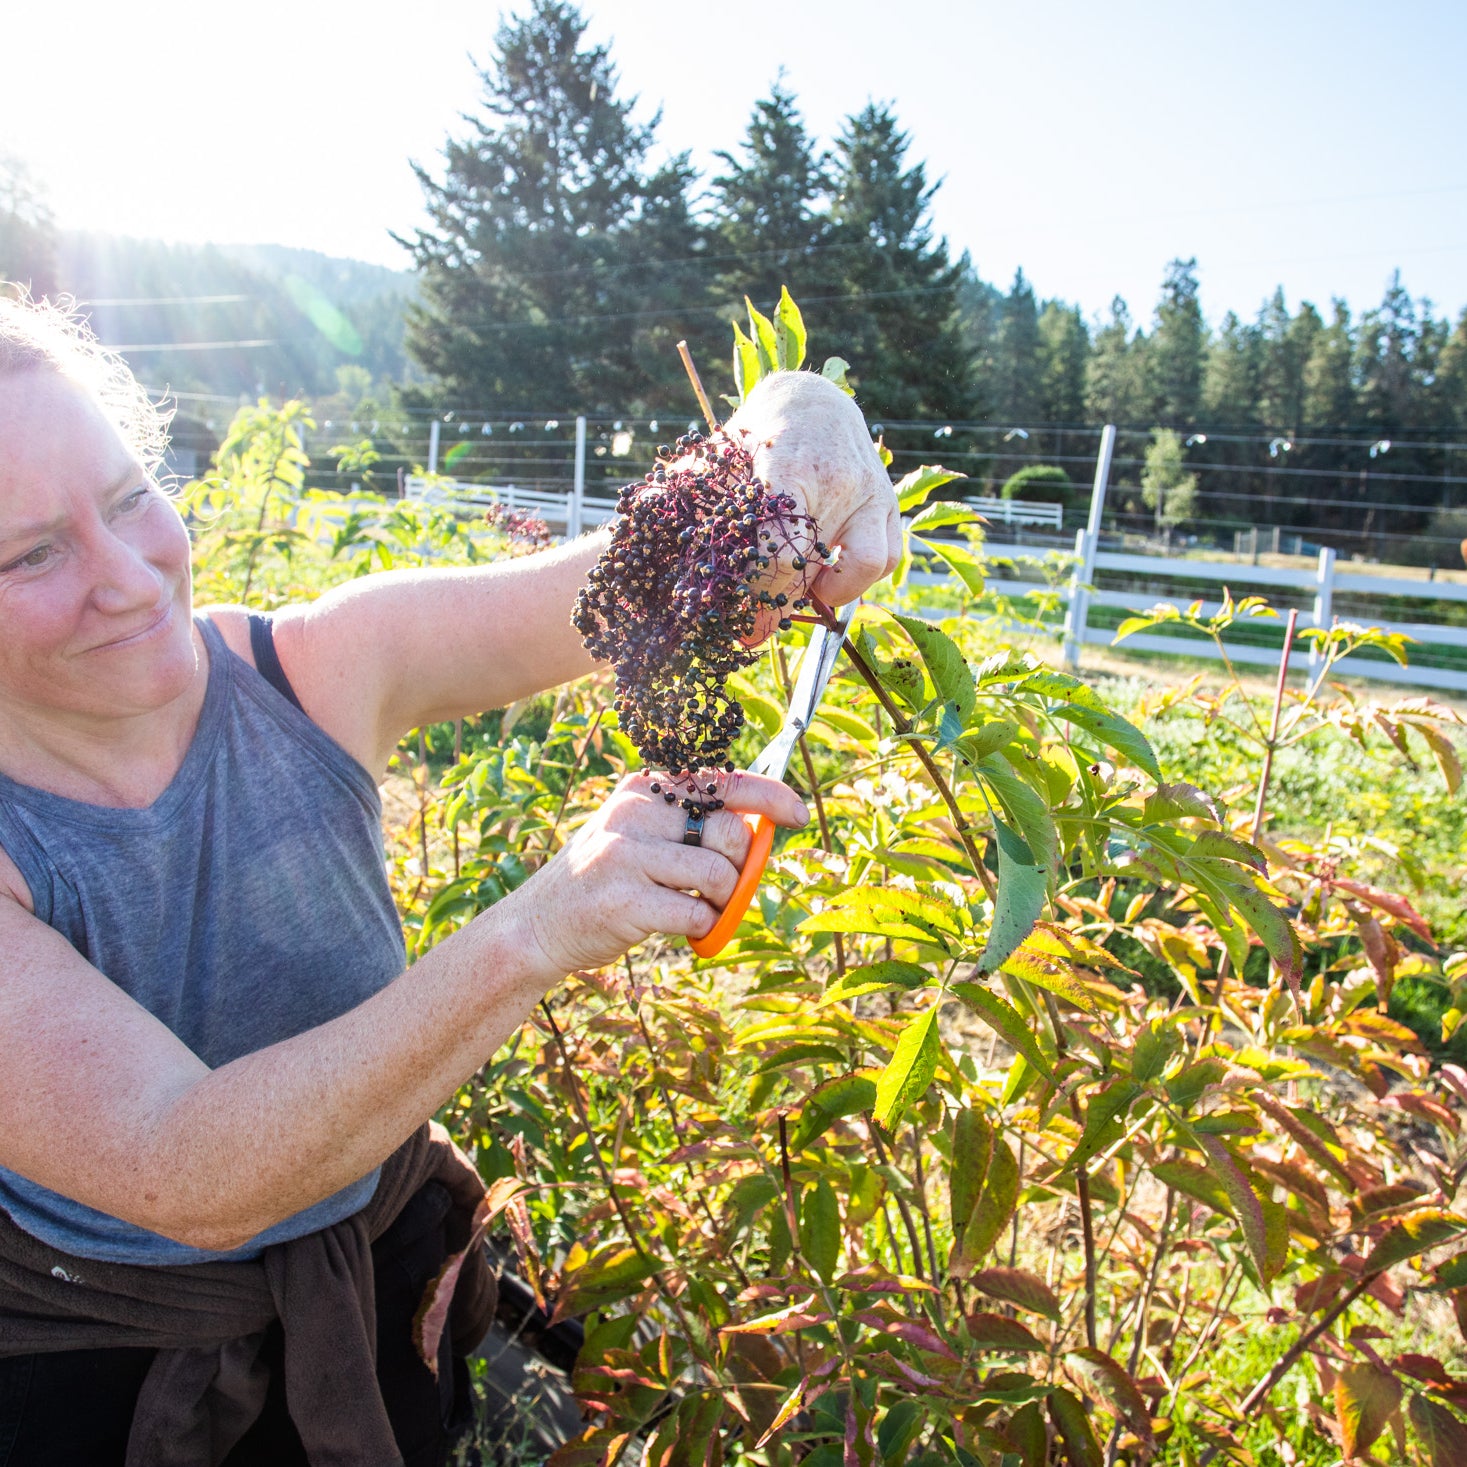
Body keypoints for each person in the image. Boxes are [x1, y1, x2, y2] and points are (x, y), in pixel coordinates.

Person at [0, 290, 900, 1464]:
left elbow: (630, 583)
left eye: (130, 500)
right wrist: (542, 926)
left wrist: (799, 428)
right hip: (109, 1380)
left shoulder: (305, 670)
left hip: (387, 1286)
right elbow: (188, 1166)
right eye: (30, 553)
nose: (126, 576)